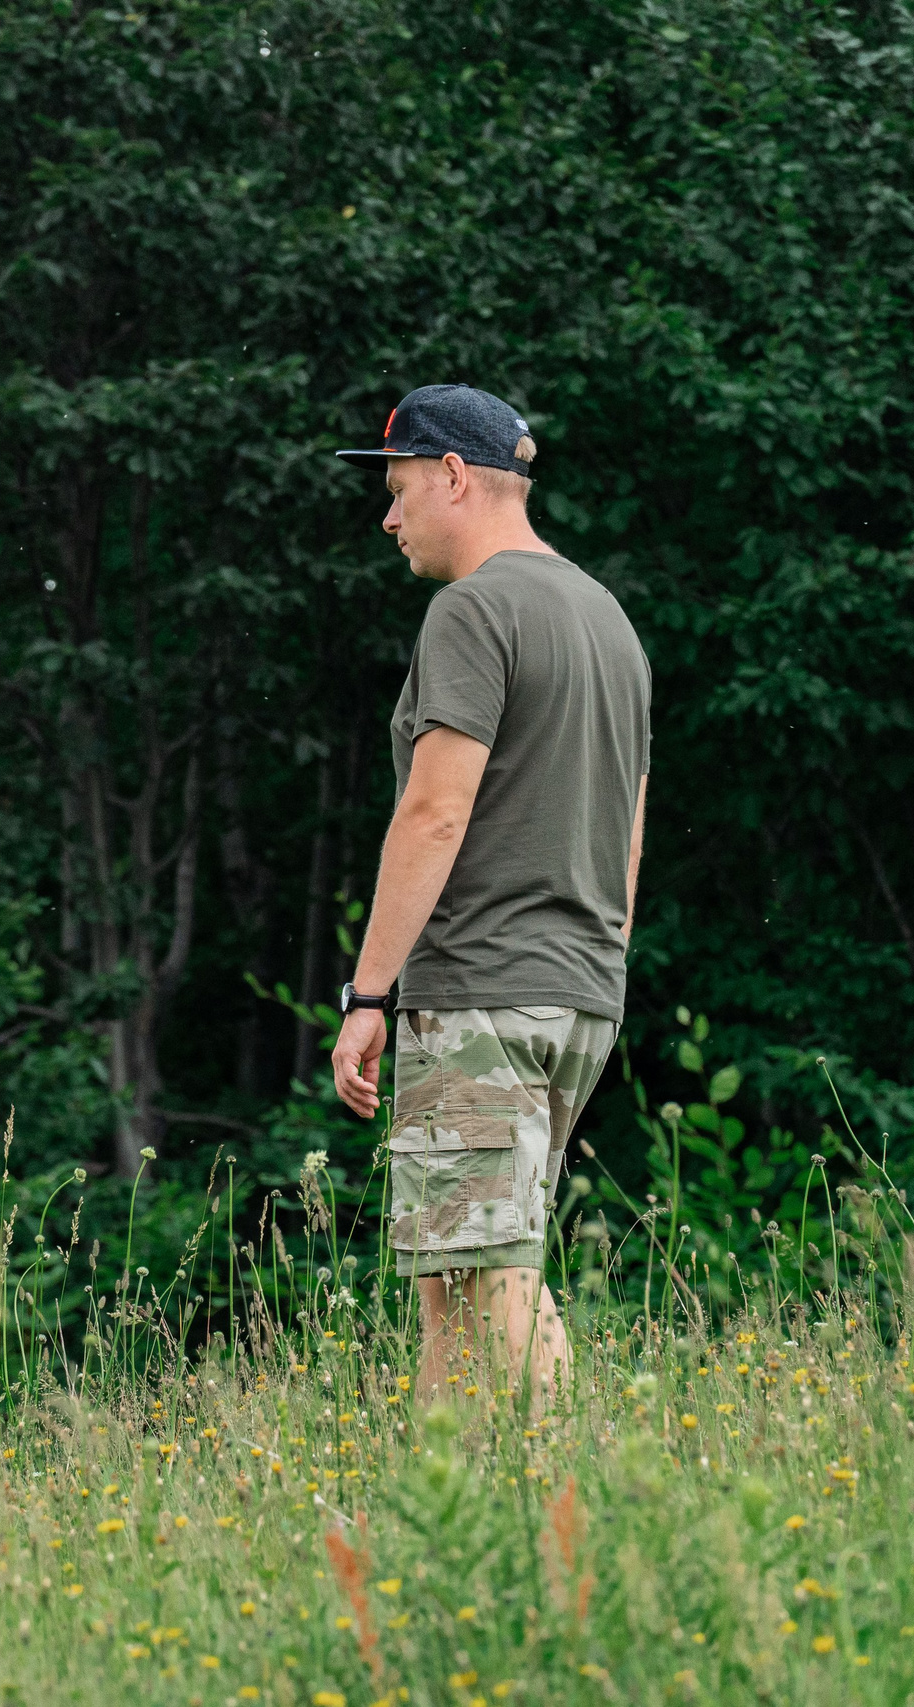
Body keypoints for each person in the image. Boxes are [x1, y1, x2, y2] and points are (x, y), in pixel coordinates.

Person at [328, 386, 650, 1420]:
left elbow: (433, 810)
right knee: (453, 1279)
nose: (390, 516)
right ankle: (438, 1501)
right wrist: (600, 965)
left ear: (454, 476)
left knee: (485, 1274)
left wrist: (368, 995)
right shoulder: (604, 616)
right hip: (578, 994)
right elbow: (630, 826)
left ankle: (573, 1503)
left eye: (400, 487)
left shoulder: (471, 609)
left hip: (482, 993)